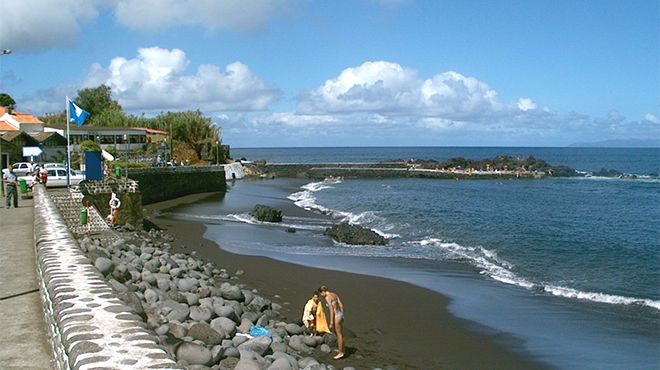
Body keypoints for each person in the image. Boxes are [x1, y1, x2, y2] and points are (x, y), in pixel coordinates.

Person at [319, 285, 345, 359]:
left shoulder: (327, 297)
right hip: (340, 314)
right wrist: (342, 315)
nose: (321, 295)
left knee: (338, 334)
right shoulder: (334, 294)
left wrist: (331, 322)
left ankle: (340, 353)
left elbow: (331, 310)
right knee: (340, 334)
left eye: (321, 294)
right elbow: (341, 305)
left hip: (336, 316)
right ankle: (343, 349)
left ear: (323, 291)